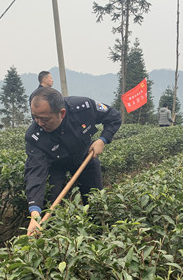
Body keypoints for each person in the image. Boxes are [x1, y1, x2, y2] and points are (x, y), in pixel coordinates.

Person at [24, 86, 121, 236]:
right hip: (55, 165)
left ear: (62, 113)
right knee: (49, 203)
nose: (39, 123)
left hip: (84, 156)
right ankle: (51, 239)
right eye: (35, 117)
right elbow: (35, 173)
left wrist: (103, 139)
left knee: (95, 201)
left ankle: (98, 237)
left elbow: (114, 117)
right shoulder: (34, 137)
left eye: (45, 119)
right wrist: (35, 212)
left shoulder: (83, 108)